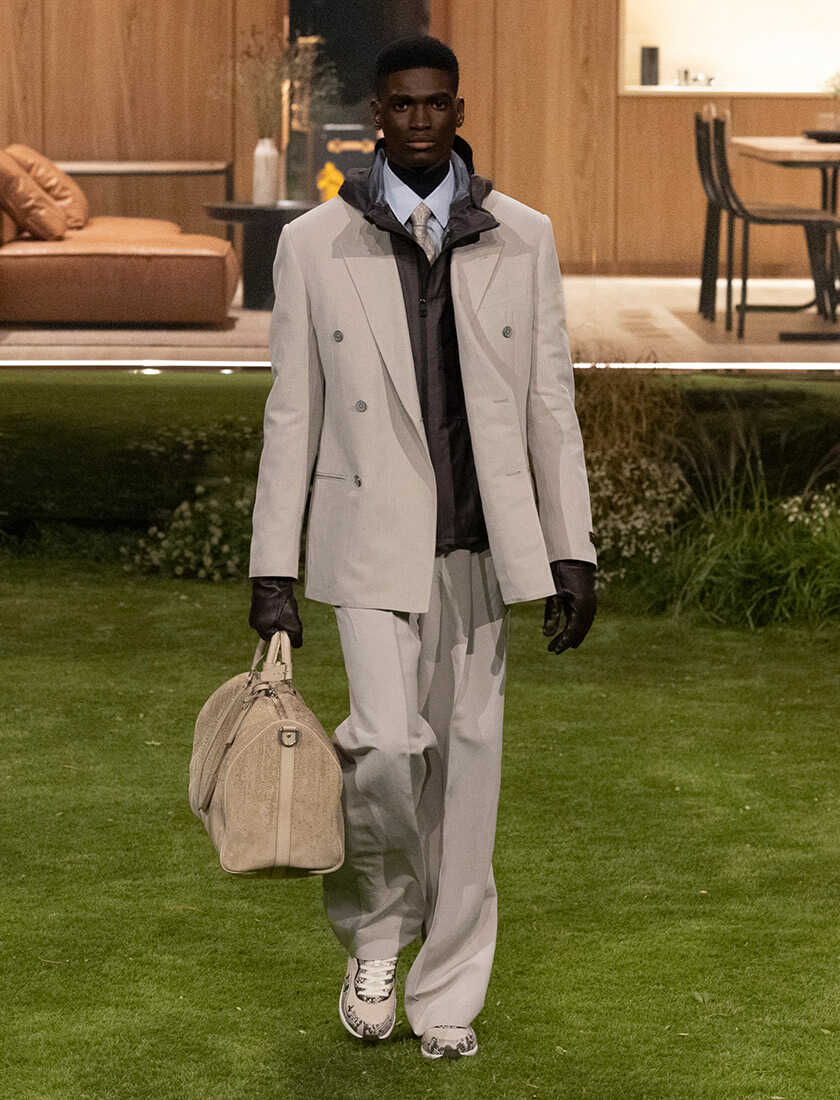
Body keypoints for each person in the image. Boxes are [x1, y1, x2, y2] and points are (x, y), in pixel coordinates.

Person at [248, 34, 597, 1062]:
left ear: (457, 111)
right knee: (387, 748)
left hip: (483, 547)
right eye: (402, 105)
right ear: (376, 113)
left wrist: (572, 549)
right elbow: (291, 413)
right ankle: (376, 934)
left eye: (436, 103)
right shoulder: (314, 243)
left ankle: (447, 996)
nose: (419, 120)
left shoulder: (522, 235)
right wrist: (273, 569)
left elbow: (549, 404)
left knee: (470, 778)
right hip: (366, 541)